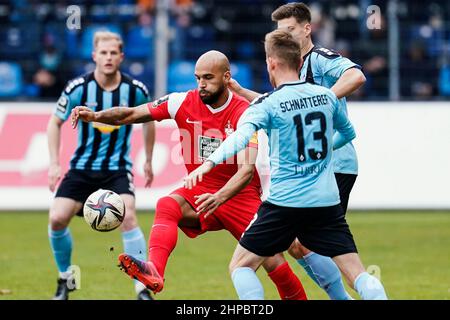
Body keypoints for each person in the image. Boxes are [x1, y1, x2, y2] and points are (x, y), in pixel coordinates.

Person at [71, 50, 308, 300]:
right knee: (167, 204)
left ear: (227, 77)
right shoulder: (182, 102)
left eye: (208, 78)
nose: (201, 85)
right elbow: (131, 114)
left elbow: (246, 171)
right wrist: (96, 116)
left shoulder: (246, 112)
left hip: (239, 195)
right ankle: (155, 272)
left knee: (274, 261)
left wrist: (219, 197)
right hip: (199, 190)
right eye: (197, 78)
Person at [185, 30, 388, 300]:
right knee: (358, 274)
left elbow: (240, 137)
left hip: (284, 204)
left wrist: (208, 163)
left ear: (272, 63)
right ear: (298, 61)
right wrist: (325, 150)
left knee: (241, 266)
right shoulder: (326, 97)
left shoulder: (267, 103)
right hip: (326, 202)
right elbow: (349, 134)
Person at [228, 2, 366, 300]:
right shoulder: (292, 65)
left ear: (307, 28)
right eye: (280, 32)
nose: (285, 37)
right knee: (299, 245)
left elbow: (356, 76)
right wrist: (240, 93)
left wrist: (321, 99)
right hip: (317, 166)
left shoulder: (320, 58)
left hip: (334, 162)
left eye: (290, 30)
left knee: (314, 247)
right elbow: (279, 105)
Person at [46, 31, 156, 300]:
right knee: (57, 218)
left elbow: (150, 120)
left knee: (128, 217)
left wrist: (149, 159)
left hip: (117, 169)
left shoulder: (135, 90)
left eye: (113, 53)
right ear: (94, 55)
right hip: (82, 168)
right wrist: (53, 164)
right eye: (103, 53)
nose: (108, 57)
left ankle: (141, 288)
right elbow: (54, 123)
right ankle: (66, 280)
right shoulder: (78, 88)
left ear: (121, 56)